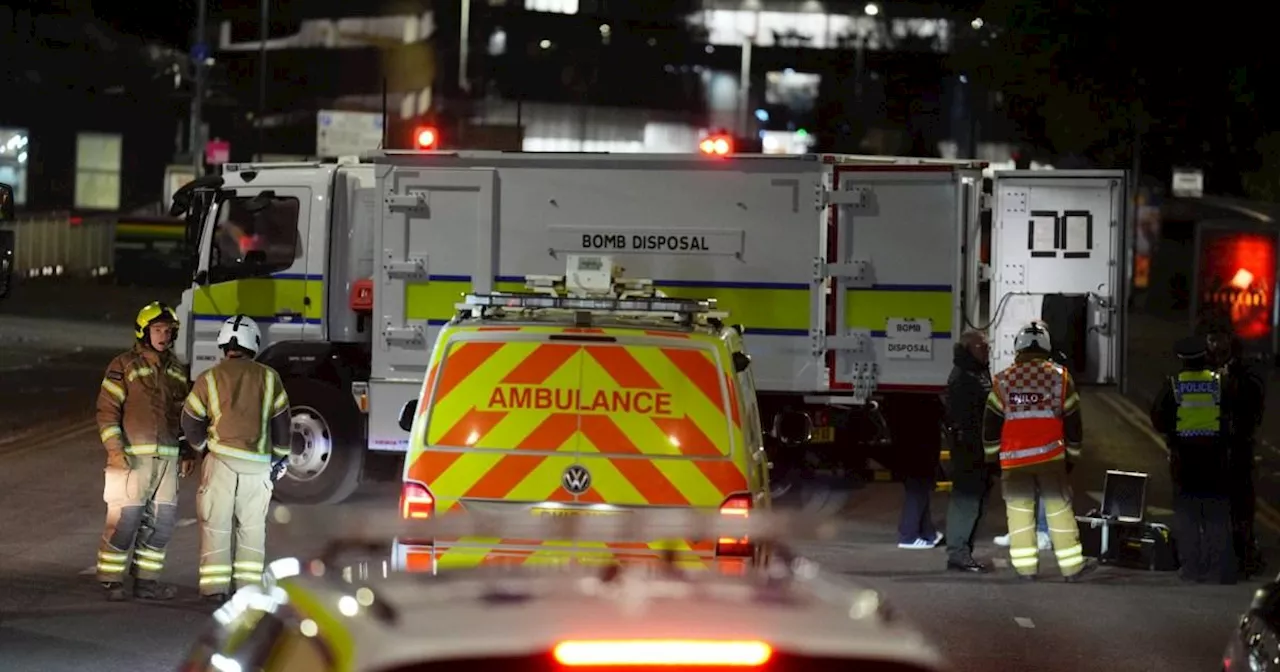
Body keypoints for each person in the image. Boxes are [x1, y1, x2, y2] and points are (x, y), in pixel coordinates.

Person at [181, 315, 291, 603]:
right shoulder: (270, 378)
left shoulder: (209, 378)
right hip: (257, 466)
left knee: (216, 525)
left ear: (223, 344)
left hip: (221, 463)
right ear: (253, 343)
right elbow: (283, 426)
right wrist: (279, 458)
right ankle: (249, 591)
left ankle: (214, 590)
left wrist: (202, 446)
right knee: (252, 530)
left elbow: (190, 420)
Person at [94, 301, 192, 601]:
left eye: (167, 331)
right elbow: (106, 410)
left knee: (160, 524)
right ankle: (111, 580)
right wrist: (114, 449)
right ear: (144, 332)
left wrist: (186, 450)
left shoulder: (176, 371)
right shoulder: (123, 365)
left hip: (168, 459)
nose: (163, 336)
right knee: (125, 520)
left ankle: (146, 583)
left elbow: (183, 413)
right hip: (131, 458)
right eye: (157, 330)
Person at [983, 323, 1092, 582]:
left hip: (1013, 460)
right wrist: (1072, 457)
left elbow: (991, 425)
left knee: (1019, 513)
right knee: (1058, 510)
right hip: (1050, 458)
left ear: (1018, 347)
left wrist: (991, 459)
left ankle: (1026, 569)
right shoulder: (1060, 377)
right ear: (1046, 347)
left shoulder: (1003, 380)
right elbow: (1073, 422)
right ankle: (1072, 568)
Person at [1149, 335, 1237, 584]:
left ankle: (1191, 568)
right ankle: (1217, 569)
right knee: (1216, 513)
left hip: (1185, 458)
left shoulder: (1175, 385)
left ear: (1181, 359)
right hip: (1216, 457)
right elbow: (1232, 414)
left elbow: (1158, 417)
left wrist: (1173, 435)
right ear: (1204, 356)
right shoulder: (1219, 383)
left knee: (1187, 514)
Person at [1199, 315, 1266, 577]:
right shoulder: (1199, 365)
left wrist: (1230, 384)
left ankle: (1243, 555)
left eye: (1220, 338)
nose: (1216, 344)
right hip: (1209, 447)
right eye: (1212, 339)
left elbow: (1254, 405)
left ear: (1230, 339)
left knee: (1240, 504)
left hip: (1238, 446)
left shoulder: (1244, 369)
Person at [942, 330, 995, 572]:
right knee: (966, 502)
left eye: (987, 346)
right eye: (981, 347)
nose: (987, 350)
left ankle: (963, 552)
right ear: (968, 349)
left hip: (978, 451)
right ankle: (958, 553)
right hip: (969, 452)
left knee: (974, 503)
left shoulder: (976, 373)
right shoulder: (964, 377)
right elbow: (968, 420)